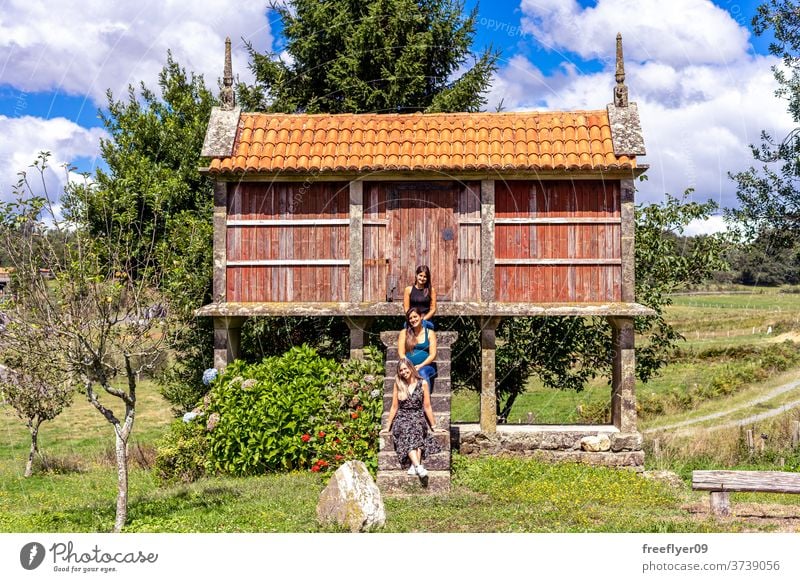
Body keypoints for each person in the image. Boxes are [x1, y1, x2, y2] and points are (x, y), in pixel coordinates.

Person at [386, 357, 440, 477]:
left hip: (417, 414)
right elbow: (394, 407)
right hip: (402, 416)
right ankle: (418, 466)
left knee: (417, 428)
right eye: (401, 370)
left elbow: (427, 406)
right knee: (406, 429)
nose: (403, 372)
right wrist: (388, 426)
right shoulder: (398, 384)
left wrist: (434, 426)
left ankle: (414, 465)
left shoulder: (423, 383)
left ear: (411, 368)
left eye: (405, 369)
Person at [398, 307, 437, 392]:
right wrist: (410, 367)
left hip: (427, 366)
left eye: (415, 317)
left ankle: (425, 403)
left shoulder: (430, 333)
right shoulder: (404, 333)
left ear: (421, 317)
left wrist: (420, 366)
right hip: (408, 366)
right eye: (410, 318)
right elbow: (401, 353)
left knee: (422, 373)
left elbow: (433, 355)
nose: (413, 320)